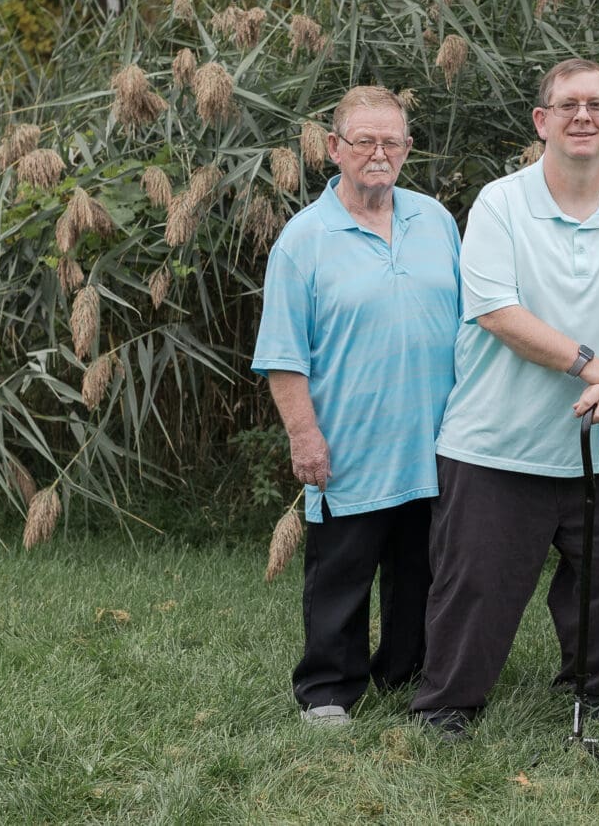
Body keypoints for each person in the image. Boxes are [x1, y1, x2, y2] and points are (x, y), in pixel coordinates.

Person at [409, 58, 599, 739]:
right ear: (542, 122)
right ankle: (447, 704)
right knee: (477, 582)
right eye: (567, 104)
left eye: (597, 103)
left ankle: (593, 692)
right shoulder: (500, 202)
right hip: (498, 439)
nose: (583, 115)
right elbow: (499, 312)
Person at [251, 85, 461, 726]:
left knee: (421, 570)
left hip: (432, 438)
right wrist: (304, 436)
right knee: (341, 575)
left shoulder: (436, 220)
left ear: (407, 149)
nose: (379, 153)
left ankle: (405, 670)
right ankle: (328, 691)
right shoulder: (303, 240)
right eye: (364, 141)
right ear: (334, 150)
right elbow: (284, 356)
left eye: (391, 141)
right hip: (347, 444)